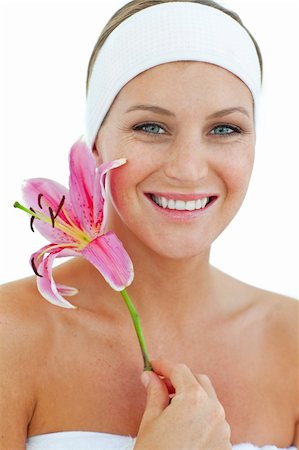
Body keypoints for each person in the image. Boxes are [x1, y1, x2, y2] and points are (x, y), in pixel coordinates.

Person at [0, 0, 298, 449]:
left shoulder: (292, 340)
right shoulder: (10, 333)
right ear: (95, 144)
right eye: (151, 127)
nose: (188, 169)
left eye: (225, 130)